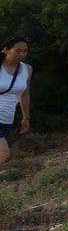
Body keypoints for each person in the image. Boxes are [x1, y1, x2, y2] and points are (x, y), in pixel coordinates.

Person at [0, 36, 32, 166]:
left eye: (25, 51)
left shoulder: (27, 69)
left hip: (7, 118)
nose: (21, 54)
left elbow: (25, 94)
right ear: (6, 50)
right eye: (17, 50)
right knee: (4, 153)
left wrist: (26, 117)